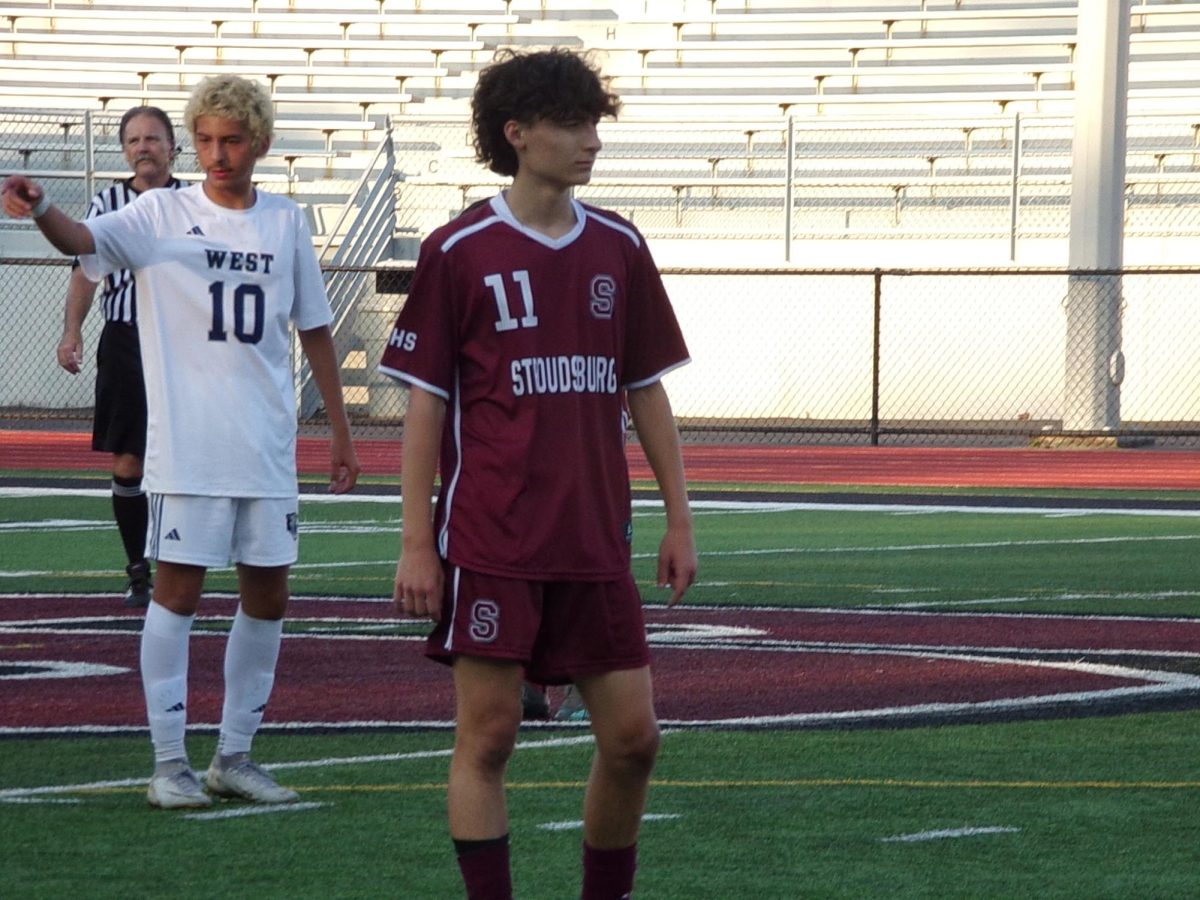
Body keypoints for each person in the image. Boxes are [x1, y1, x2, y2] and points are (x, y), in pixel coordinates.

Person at [381, 48, 697, 899]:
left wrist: (679, 516)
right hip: (494, 537)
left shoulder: (621, 246)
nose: (591, 140)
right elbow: (425, 408)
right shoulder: (459, 249)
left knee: (634, 739)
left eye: (596, 122)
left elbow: (647, 391)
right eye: (571, 123)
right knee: (487, 740)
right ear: (517, 134)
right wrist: (417, 543)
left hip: (596, 538)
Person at [3, 74, 360, 810]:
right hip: (191, 446)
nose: (216, 154)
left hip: (266, 443)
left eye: (231, 140)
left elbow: (316, 331)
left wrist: (340, 432)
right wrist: (41, 208)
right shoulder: (160, 210)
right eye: (204, 140)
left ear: (258, 143)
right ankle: (169, 763)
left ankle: (235, 756)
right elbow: (82, 242)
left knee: (269, 595)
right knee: (179, 594)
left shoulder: (286, 221)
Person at [56, 105, 187, 608]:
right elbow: (86, 272)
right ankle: (138, 568)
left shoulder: (194, 202)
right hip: (127, 339)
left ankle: (181, 563)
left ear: (172, 146)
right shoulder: (107, 201)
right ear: (124, 150)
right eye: (133, 140)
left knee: (183, 458)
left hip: (183, 344)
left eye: (152, 138)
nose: (143, 148)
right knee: (129, 460)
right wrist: (72, 332)